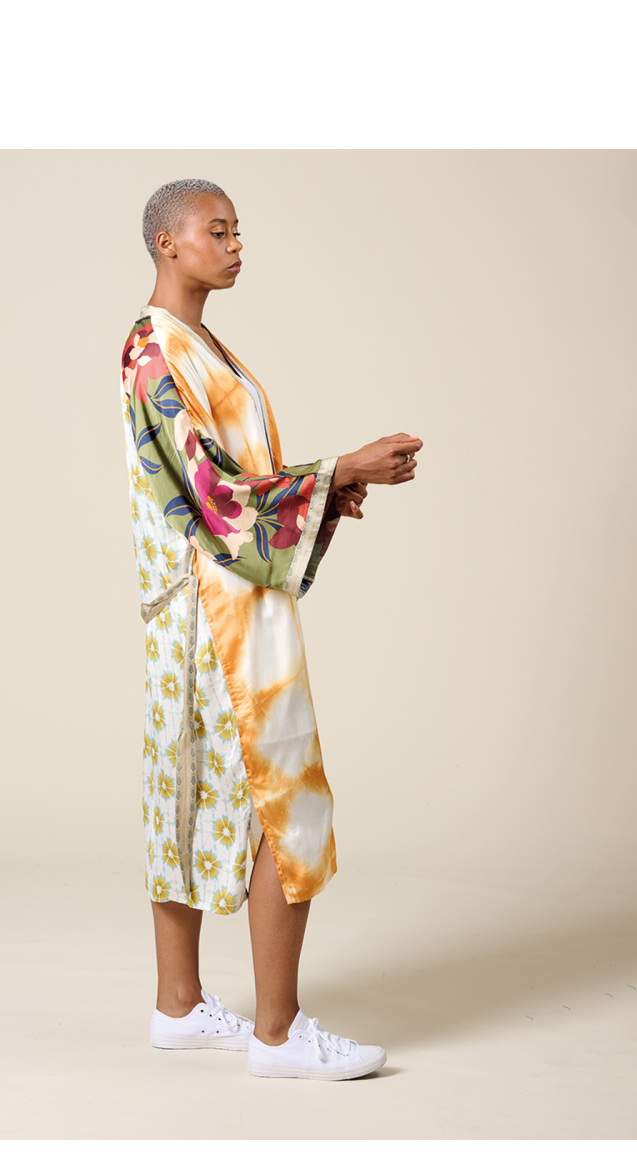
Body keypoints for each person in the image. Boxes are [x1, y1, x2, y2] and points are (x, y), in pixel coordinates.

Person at [119, 178, 423, 1080]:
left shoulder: (198, 344)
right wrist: (336, 470)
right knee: (278, 799)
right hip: (212, 613)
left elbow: (231, 481)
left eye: (237, 231)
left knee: (191, 793)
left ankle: (179, 1008)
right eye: (217, 231)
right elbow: (212, 493)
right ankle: (280, 1036)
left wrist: (325, 491)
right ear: (168, 243)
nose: (235, 245)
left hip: (216, 600)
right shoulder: (155, 349)